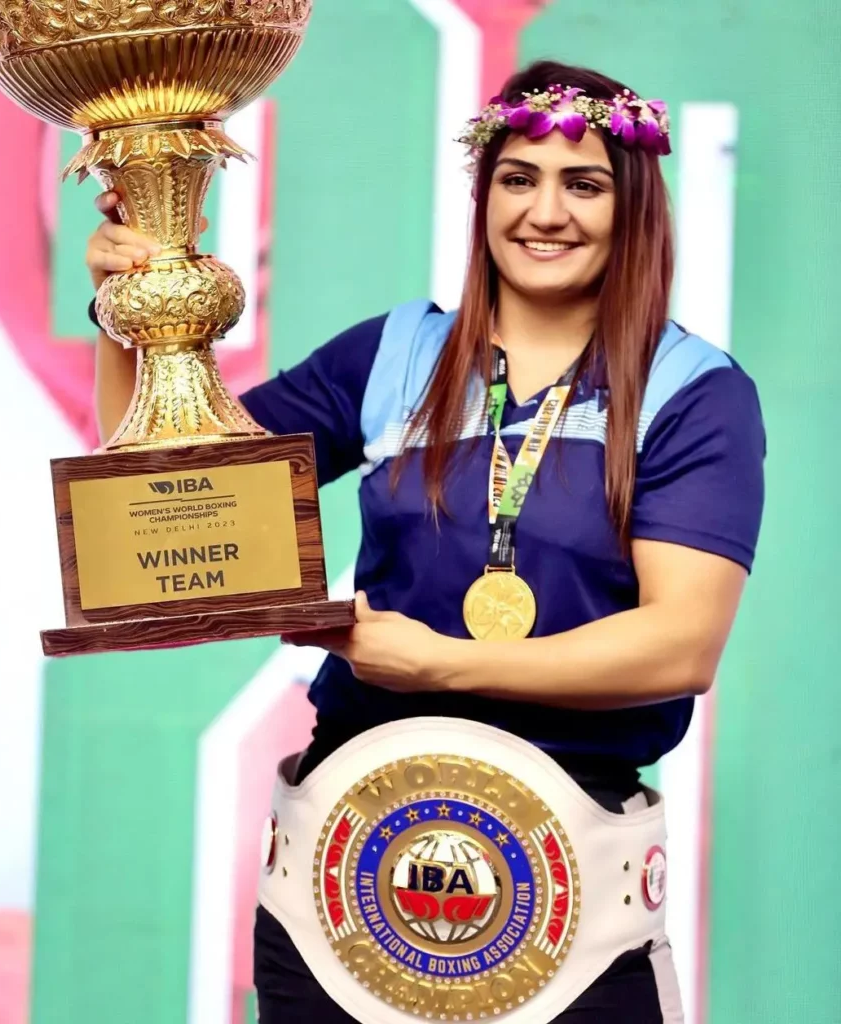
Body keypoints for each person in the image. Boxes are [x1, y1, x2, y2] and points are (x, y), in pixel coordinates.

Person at [87, 60, 765, 1024]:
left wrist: (440, 663)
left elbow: (680, 646)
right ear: (485, 196)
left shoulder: (693, 391)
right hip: (336, 882)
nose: (546, 212)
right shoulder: (395, 354)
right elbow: (166, 497)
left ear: (634, 207)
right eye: (518, 178)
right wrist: (132, 321)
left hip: (574, 895)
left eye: (584, 184)